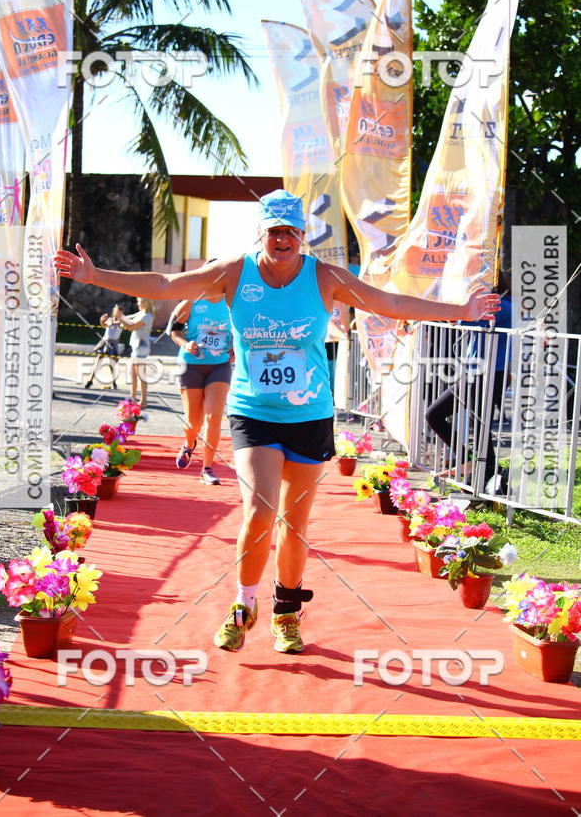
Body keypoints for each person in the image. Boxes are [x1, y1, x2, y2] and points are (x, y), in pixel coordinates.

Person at [55, 190, 500, 655]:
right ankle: (242, 605)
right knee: (261, 510)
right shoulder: (234, 272)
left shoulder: (324, 277)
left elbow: (385, 302)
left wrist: (462, 312)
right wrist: (94, 275)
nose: (282, 239)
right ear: (262, 232)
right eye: (274, 231)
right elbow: (168, 283)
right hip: (255, 412)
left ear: (302, 236)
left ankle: (285, 611)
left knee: (294, 522)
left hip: (310, 415)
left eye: (291, 231)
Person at [425, 272, 512, 494]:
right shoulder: (485, 304)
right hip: (474, 372)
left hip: (490, 373)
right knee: (452, 419)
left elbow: (466, 317)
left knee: (477, 426)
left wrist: (458, 312)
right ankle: (479, 468)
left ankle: (484, 474)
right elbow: (461, 318)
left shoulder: (500, 305)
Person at [167, 288, 232, 485]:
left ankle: (207, 469)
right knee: (193, 423)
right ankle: (189, 444)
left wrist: (236, 347)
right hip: (191, 365)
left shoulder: (232, 304)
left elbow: (243, 330)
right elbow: (172, 329)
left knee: (213, 417)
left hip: (220, 365)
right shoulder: (191, 301)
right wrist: (185, 344)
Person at [117, 298, 154, 409]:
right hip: (136, 347)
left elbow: (131, 326)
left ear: (145, 303)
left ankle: (144, 401)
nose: (137, 303)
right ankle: (132, 398)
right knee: (133, 374)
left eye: (139, 301)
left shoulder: (147, 316)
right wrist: (119, 318)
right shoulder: (141, 313)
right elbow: (128, 320)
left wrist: (120, 318)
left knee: (141, 375)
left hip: (141, 348)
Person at [84, 304, 122, 390]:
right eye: (117, 312)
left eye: (120, 313)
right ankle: (90, 380)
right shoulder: (110, 320)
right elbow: (103, 325)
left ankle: (114, 382)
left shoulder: (122, 321)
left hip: (114, 343)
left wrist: (113, 322)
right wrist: (102, 320)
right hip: (105, 341)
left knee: (112, 363)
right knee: (98, 362)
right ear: (114, 312)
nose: (118, 314)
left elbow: (120, 324)